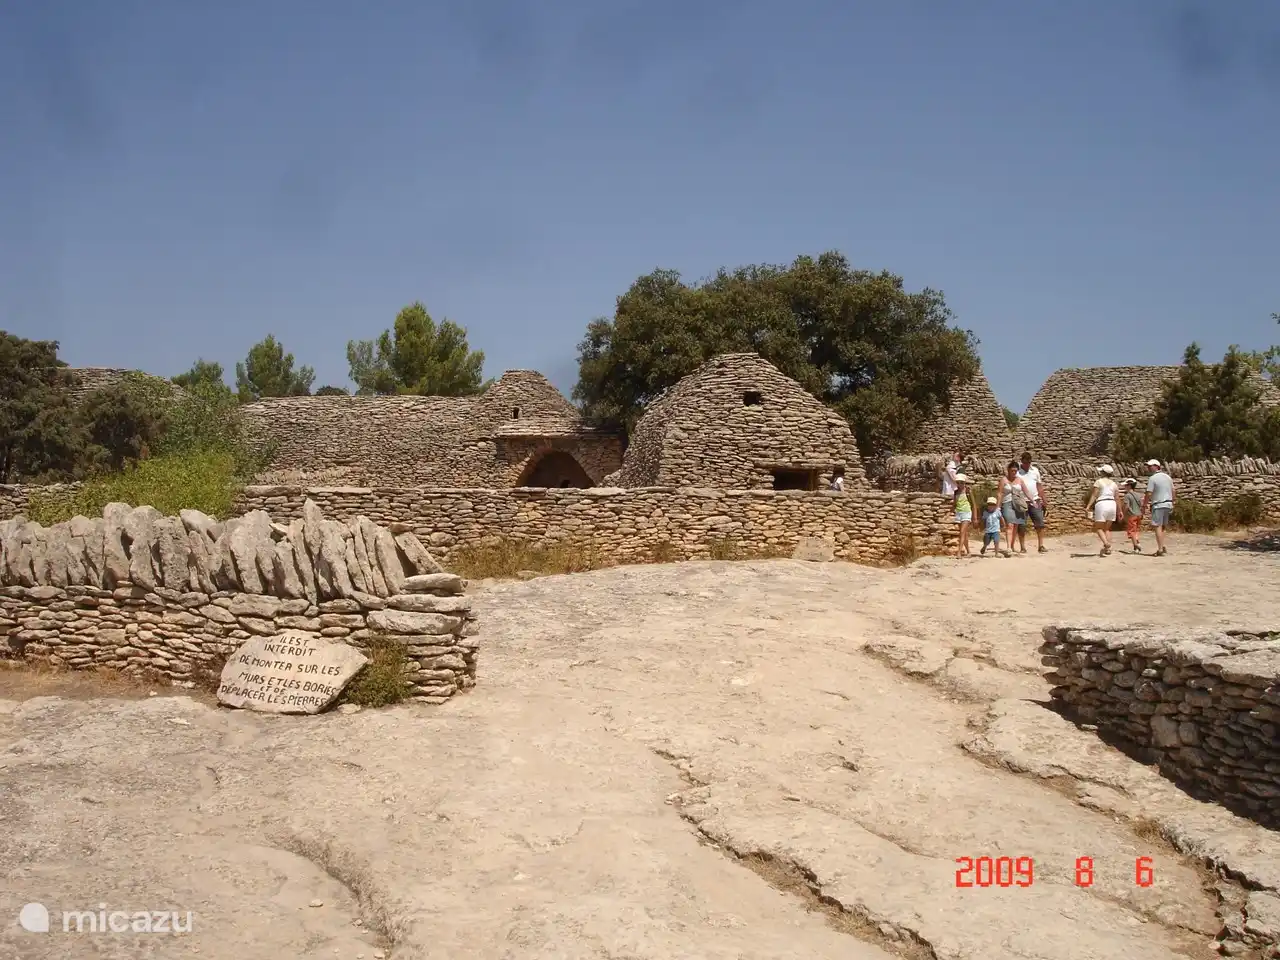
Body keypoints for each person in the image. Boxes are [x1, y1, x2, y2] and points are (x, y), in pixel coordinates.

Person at [1017, 451, 1049, 553]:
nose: (1027, 465)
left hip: (1035, 501)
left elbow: (1039, 486)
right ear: (1022, 461)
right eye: (1025, 462)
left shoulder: (1035, 471)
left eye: (1028, 462)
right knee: (1022, 525)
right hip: (1022, 501)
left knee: (1040, 524)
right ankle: (1022, 547)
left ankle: (1041, 545)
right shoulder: (1017, 472)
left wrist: (1044, 500)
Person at [997, 460, 1032, 554]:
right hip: (1007, 503)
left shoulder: (1020, 480)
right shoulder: (1003, 480)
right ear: (1008, 470)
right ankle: (1008, 547)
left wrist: (1033, 500)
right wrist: (998, 507)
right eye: (1012, 470)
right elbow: (1000, 493)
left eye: (1015, 471)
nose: (1013, 472)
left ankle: (1012, 546)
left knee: (1016, 525)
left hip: (1017, 504)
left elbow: (1026, 491)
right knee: (1009, 525)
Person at [1142, 458, 1174, 556]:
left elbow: (1149, 493)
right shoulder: (1168, 477)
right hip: (1168, 504)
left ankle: (1160, 549)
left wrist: (1144, 505)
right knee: (1163, 527)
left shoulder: (1153, 478)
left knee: (1157, 526)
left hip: (1158, 504)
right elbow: (1173, 490)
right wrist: (1173, 502)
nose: (1148, 468)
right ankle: (1162, 546)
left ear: (1156, 466)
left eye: (1150, 466)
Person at [1085, 464, 1119, 556]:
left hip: (1102, 503)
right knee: (1107, 529)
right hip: (1112, 504)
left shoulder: (1099, 482)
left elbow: (1094, 495)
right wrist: (1119, 511)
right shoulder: (1114, 484)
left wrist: (1088, 506)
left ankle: (1106, 544)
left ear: (1103, 473)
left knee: (1099, 527)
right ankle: (1107, 549)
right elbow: (1117, 498)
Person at [953, 473, 973, 557]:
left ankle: (959, 552)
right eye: (958, 482)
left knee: (962, 532)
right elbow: (955, 503)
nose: (959, 484)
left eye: (961, 482)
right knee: (963, 533)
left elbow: (974, 504)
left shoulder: (968, 491)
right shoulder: (956, 492)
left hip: (966, 512)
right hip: (958, 512)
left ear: (964, 483)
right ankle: (968, 551)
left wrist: (975, 517)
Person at [1121, 478, 1144, 552]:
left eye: (1126, 485)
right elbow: (1141, 504)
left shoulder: (1127, 496)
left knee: (1131, 531)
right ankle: (1137, 543)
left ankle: (1136, 546)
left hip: (1131, 515)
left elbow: (1126, 506)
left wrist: (1123, 514)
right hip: (1139, 514)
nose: (1124, 487)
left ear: (1129, 486)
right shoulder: (1138, 495)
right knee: (1136, 530)